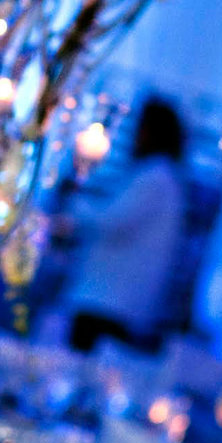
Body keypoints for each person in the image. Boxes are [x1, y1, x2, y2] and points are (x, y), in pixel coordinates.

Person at [66, 96, 187, 354]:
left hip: (109, 302)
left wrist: (75, 199)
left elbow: (112, 221)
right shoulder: (159, 177)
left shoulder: (156, 178)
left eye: (141, 128)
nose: (136, 135)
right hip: (111, 300)